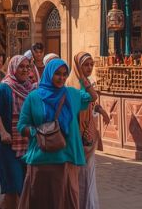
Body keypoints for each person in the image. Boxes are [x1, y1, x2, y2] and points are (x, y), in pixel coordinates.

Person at [17, 58, 96, 209]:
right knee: (40, 201)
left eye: (64, 74)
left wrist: (84, 79)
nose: (61, 78)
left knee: (66, 201)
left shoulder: (72, 94)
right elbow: (22, 126)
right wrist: (36, 131)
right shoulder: (34, 97)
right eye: (57, 74)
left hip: (66, 157)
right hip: (41, 158)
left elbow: (93, 97)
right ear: (48, 74)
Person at [65, 52, 111, 209]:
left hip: (88, 135)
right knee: (76, 175)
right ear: (78, 66)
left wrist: (102, 111)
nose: (89, 67)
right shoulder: (70, 84)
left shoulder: (87, 82)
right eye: (85, 64)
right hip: (75, 135)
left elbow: (92, 101)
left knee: (88, 174)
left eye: (91, 64)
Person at [0, 55, 35, 209]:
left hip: (27, 145)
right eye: (21, 67)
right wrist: (3, 132)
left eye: (27, 67)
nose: (24, 70)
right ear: (13, 68)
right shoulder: (3, 88)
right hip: (7, 146)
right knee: (13, 186)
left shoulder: (31, 88)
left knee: (22, 187)